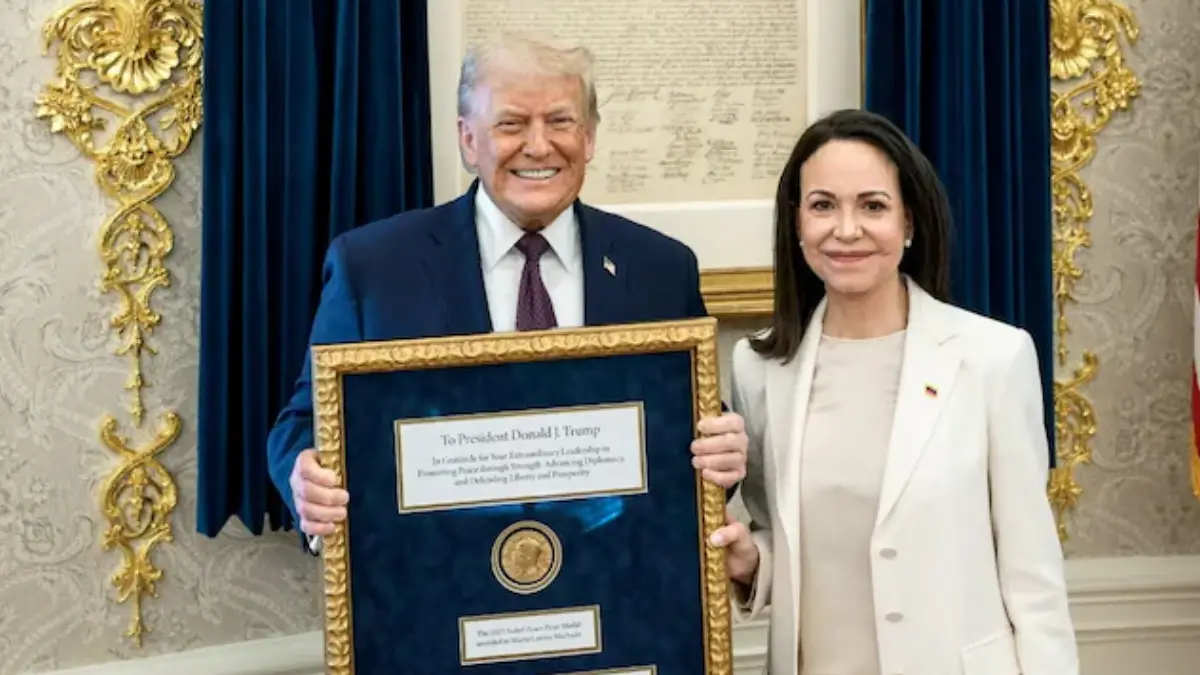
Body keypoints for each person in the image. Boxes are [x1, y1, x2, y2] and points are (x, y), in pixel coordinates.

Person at [265, 35, 748, 545]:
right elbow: (304, 422)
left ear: (589, 138)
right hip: (435, 583)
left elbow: (693, 429)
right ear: (468, 139)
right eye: (511, 124)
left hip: (617, 581)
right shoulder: (374, 268)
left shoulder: (660, 268)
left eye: (560, 121)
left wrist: (724, 451)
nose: (538, 146)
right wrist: (304, 475)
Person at [711, 109, 1077, 674]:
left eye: (873, 206)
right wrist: (748, 561)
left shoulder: (992, 359)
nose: (847, 229)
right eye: (823, 205)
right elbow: (783, 537)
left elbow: (1033, 575)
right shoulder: (760, 366)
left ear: (909, 223)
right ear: (797, 223)